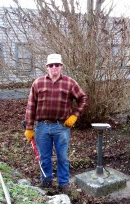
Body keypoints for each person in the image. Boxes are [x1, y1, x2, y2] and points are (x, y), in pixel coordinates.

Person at [24, 53, 88, 193]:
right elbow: (31, 106)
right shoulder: (38, 83)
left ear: (61, 66)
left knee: (63, 157)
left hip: (61, 127)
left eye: (57, 65)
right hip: (42, 127)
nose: (54, 68)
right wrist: (29, 127)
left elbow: (83, 98)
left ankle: (63, 184)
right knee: (44, 157)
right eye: (51, 65)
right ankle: (46, 182)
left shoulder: (69, 83)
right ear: (47, 67)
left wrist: (75, 115)